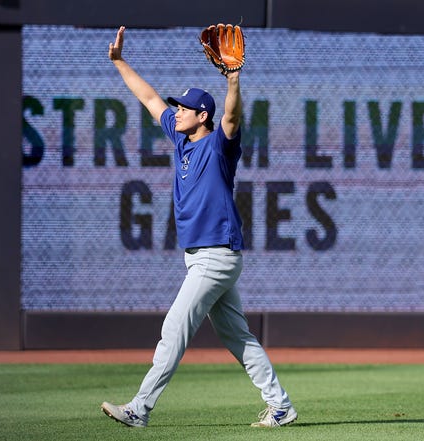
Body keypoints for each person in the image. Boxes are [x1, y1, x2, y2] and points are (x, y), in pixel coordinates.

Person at [101, 26, 296, 429]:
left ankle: (140, 408)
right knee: (237, 337)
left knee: (174, 327)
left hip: (216, 254)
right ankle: (281, 406)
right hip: (203, 258)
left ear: (201, 115)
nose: (177, 111)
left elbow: (232, 115)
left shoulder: (219, 145)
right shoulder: (181, 138)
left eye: (185, 108)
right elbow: (149, 97)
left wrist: (234, 79)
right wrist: (120, 62)